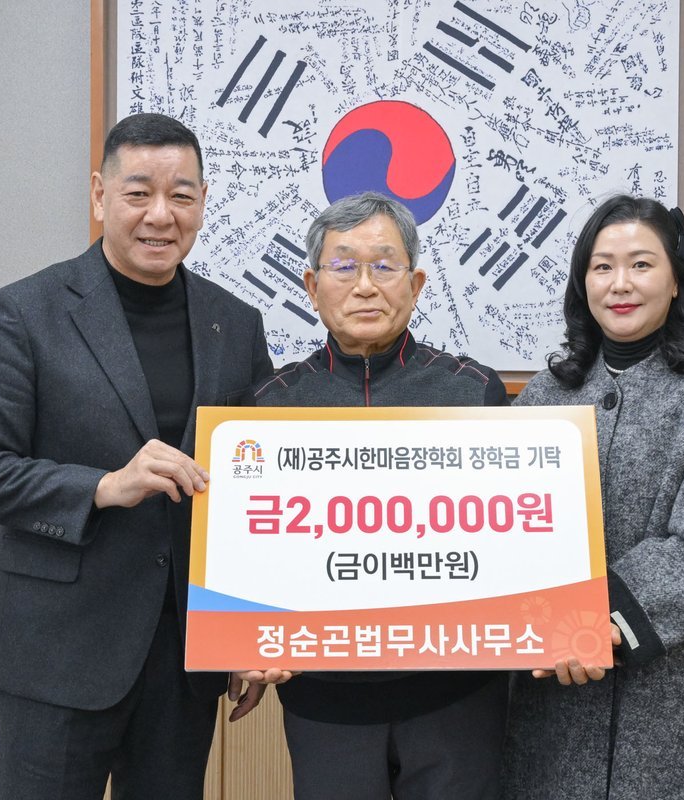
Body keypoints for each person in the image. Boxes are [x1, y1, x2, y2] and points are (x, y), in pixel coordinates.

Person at [0, 113, 275, 800]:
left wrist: (251, 633)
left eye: (181, 195)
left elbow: (256, 492)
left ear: (203, 203)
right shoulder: (25, 311)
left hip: (183, 658)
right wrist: (103, 486)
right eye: (138, 193)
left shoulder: (236, 324)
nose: (161, 215)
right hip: (52, 653)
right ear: (100, 195)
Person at [500, 195, 684, 799]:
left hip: (674, 710)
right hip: (555, 707)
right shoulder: (545, 396)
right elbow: (500, 534)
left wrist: (591, 618)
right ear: (583, 283)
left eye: (641, 264)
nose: (620, 283)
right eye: (602, 266)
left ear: (677, 280)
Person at [251, 191, 510, 799]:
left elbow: (510, 548)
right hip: (324, 701)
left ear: (415, 285)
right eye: (344, 266)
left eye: (384, 266)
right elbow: (251, 555)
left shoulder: (474, 393)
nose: (365, 286)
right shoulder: (267, 407)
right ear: (312, 287)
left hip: (457, 695)